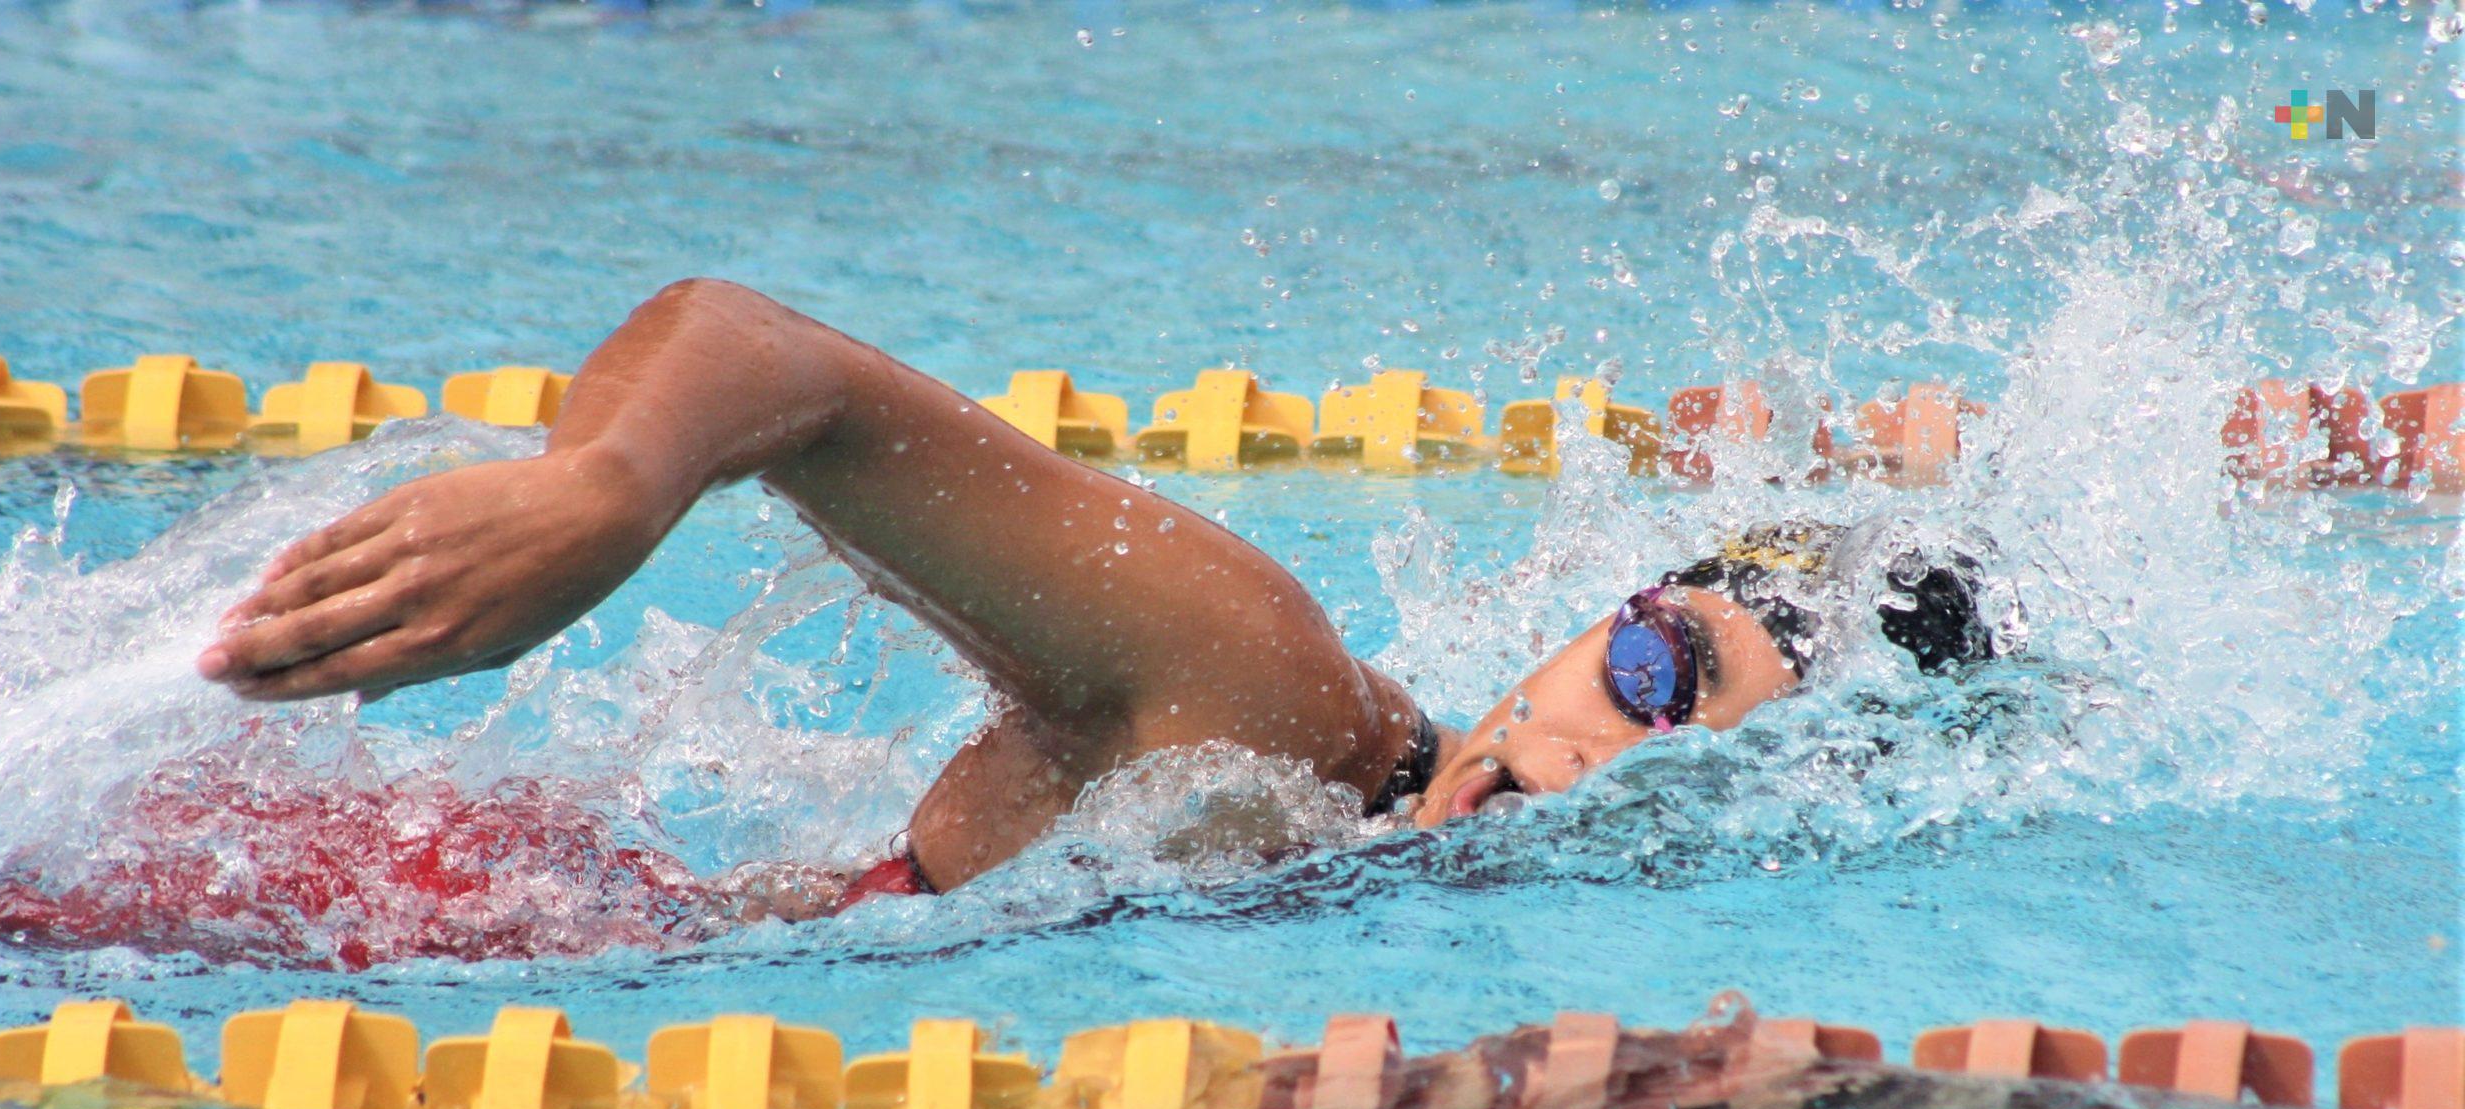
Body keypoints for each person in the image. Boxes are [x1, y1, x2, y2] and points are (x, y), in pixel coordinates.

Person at [199, 280, 1997, 909]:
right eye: (1651, 664)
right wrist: (601, 491)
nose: (1609, 754)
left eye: (1699, 753)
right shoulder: (1271, 702)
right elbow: (767, 358)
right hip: (381, 922)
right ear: (1588, 615)